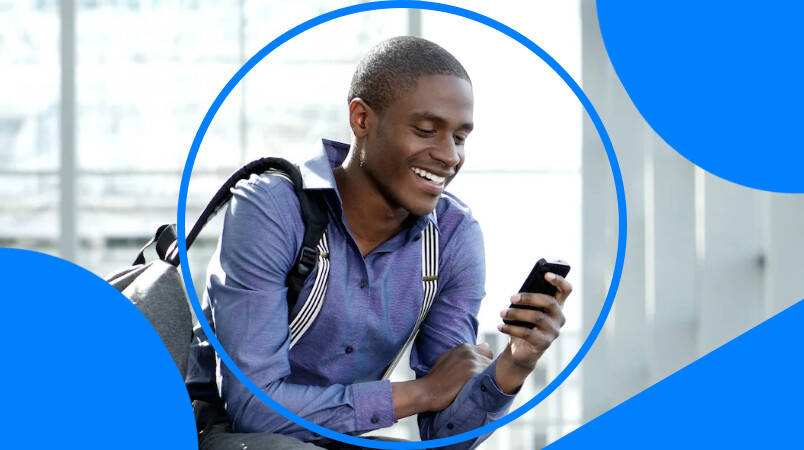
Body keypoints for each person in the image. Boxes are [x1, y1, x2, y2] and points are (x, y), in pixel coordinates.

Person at [185, 36, 572, 450]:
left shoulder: (453, 239)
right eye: (426, 131)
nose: (449, 156)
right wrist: (423, 392)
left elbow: (446, 439)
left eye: (459, 138)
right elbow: (253, 409)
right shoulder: (272, 208)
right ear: (361, 120)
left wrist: (514, 364)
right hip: (225, 434)